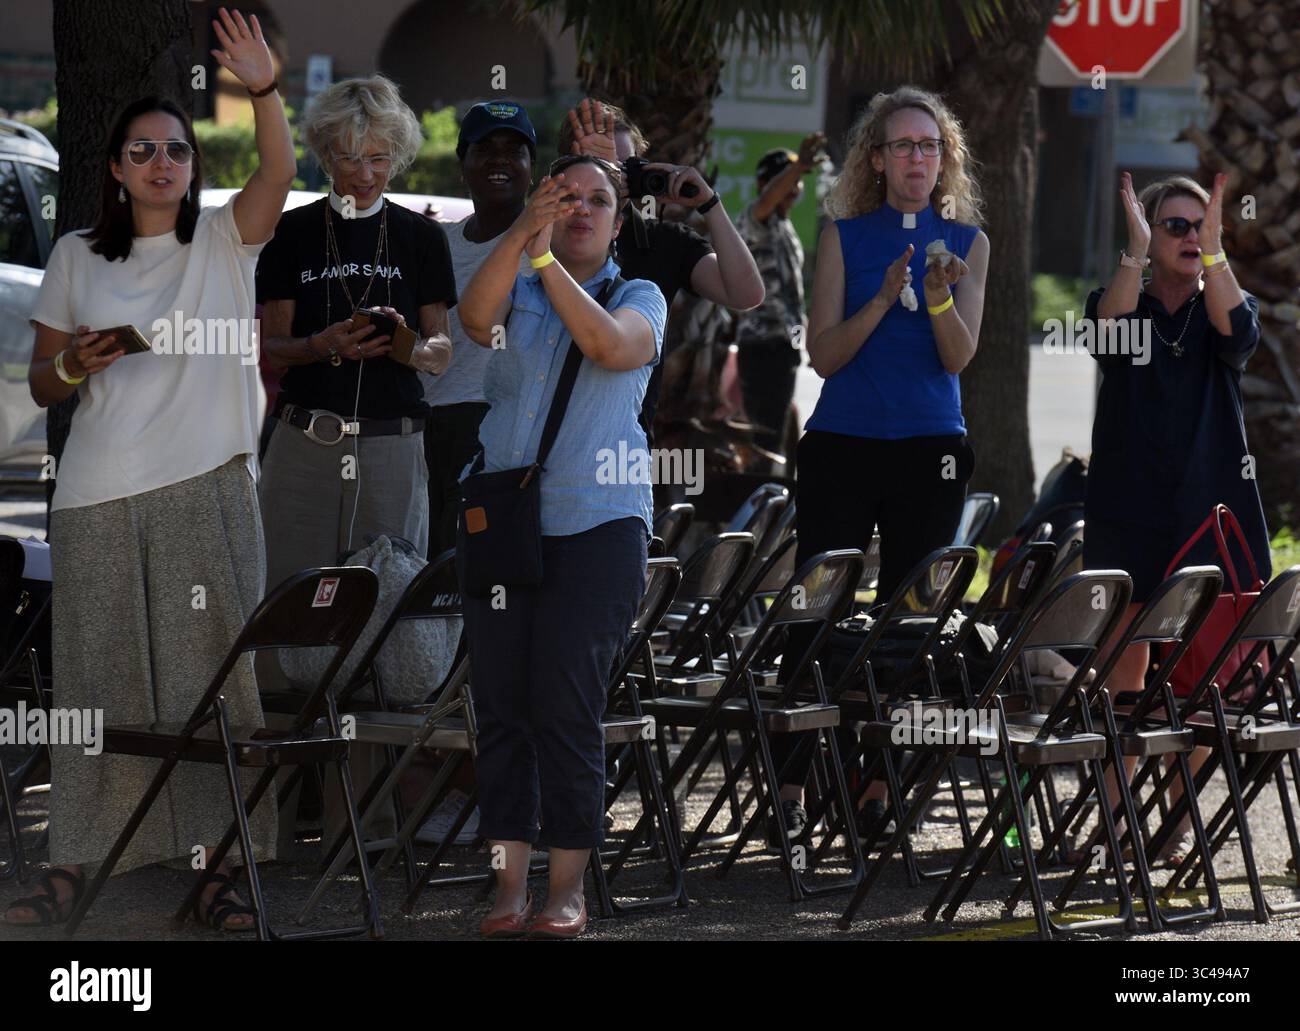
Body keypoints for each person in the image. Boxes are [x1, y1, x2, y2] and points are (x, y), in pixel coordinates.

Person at [6, 8, 293, 931]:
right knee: (95, 684)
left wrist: (264, 86)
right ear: (117, 166)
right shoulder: (74, 254)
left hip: (206, 488)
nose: (161, 161)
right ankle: (77, 863)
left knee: (214, 683)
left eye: (175, 148)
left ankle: (222, 871)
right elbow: (43, 384)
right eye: (142, 150)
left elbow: (281, 174)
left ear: (190, 163)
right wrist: (78, 364)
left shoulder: (223, 240)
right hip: (95, 494)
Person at [771, 86, 989, 842]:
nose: (918, 159)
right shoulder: (843, 234)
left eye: (930, 146)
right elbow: (823, 356)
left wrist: (933, 300)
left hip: (929, 446)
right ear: (877, 157)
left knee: (915, 619)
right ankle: (792, 778)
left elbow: (960, 357)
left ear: (945, 158)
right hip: (844, 443)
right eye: (903, 146)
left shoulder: (968, 242)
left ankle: (879, 780)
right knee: (816, 603)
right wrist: (881, 299)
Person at [457, 154, 666, 939]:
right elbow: (474, 323)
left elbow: (612, 347)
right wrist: (521, 234)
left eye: (599, 200)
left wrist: (544, 260)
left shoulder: (638, 294)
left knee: (565, 705)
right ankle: (509, 888)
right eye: (566, 195)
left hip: (599, 526)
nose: (582, 208)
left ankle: (567, 889)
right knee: (503, 707)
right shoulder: (518, 278)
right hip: (505, 522)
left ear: (619, 222)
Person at [1086, 171, 1270, 867]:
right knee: (1121, 680)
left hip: (1208, 518)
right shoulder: (1120, 304)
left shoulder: (1225, 305)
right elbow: (1103, 340)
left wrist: (1217, 252)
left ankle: (1174, 823)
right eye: (1176, 226)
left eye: (1199, 225)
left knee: (1203, 685)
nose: (1190, 236)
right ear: (1147, 232)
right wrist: (1135, 252)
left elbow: (1239, 337)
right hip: (1125, 516)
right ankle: (1111, 819)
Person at [560, 99, 763, 449]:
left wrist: (709, 203)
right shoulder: (546, 238)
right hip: (539, 442)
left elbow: (746, 294)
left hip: (621, 449)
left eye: (627, 167)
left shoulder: (663, 242)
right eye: (603, 164)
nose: (617, 178)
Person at [421, 100, 537, 560]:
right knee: (423, 573)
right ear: (462, 163)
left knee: (475, 574)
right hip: (427, 426)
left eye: (514, 150)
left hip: (502, 427)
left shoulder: (552, 245)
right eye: (485, 148)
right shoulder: (438, 241)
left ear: (532, 167)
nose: (500, 160)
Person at [732, 137, 825, 455]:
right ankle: (753, 497)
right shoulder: (754, 217)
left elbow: (793, 294)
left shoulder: (786, 229)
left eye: (798, 180)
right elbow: (766, 201)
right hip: (761, 345)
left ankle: (766, 492)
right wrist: (799, 165)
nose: (795, 185)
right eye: (787, 178)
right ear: (764, 182)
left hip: (784, 347)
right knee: (763, 435)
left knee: (777, 434)